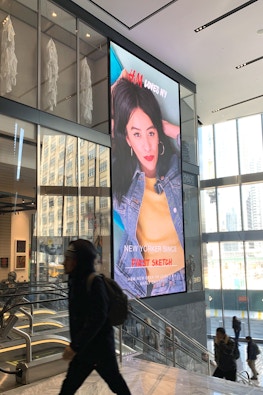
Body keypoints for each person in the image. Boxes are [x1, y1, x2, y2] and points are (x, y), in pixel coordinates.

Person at [112, 78, 185, 298]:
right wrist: (116, 90)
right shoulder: (122, 178)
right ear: (127, 139)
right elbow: (92, 130)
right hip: (133, 284)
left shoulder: (175, 168)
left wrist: (166, 128)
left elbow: (202, 149)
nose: (146, 145)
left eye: (151, 133)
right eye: (136, 134)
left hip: (178, 282)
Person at [58, 239, 131, 395]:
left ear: (78, 262)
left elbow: (98, 317)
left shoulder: (94, 282)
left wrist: (75, 346)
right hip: (85, 351)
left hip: (100, 350)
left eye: (68, 259)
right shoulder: (75, 281)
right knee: (68, 387)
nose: (64, 263)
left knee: (116, 384)